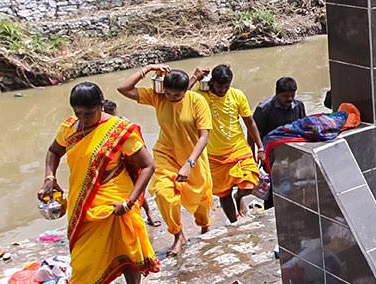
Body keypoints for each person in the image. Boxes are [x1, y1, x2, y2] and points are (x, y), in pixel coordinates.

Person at [41, 82, 158, 284]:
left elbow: (148, 165)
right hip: (84, 208)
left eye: (88, 114)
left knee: (128, 253)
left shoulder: (120, 131)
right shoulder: (69, 128)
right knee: (80, 270)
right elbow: (53, 152)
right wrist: (49, 177)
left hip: (114, 204)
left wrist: (129, 202)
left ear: (101, 106)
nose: (82, 120)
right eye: (78, 113)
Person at [117, 65, 213, 257]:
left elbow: (204, 137)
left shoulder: (197, 101)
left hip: (192, 157)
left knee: (201, 201)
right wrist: (148, 68)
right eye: (168, 93)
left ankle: (204, 226)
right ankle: (178, 235)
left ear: (186, 91)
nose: (171, 98)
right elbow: (124, 89)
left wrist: (189, 164)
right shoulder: (158, 98)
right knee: (163, 194)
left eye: (177, 95)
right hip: (166, 154)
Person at [190, 65, 266, 222]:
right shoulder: (200, 96)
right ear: (212, 83)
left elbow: (249, 122)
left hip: (238, 148)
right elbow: (179, 96)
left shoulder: (237, 95)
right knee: (224, 194)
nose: (223, 90)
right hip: (214, 155)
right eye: (219, 86)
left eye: (226, 86)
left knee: (251, 184)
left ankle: (239, 197)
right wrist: (195, 77)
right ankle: (234, 222)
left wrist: (260, 147)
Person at [103, 99, 161, 228]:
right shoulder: (101, 125)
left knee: (137, 188)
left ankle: (148, 213)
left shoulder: (124, 124)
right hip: (117, 164)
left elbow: (137, 144)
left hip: (130, 161)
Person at [252, 76, 306, 209]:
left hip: (292, 153)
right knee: (273, 186)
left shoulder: (298, 106)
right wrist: (257, 152)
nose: (289, 99)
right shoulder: (264, 109)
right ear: (277, 94)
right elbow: (253, 132)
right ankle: (271, 211)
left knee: (294, 183)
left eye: (292, 95)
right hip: (272, 155)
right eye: (285, 96)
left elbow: (303, 127)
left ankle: (291, 208)